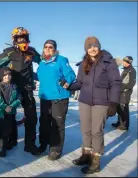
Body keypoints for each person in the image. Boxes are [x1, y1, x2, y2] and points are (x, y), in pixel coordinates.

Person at [0, 27, 41, 155]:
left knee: (31, 117)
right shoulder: (9, 52)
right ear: (14, 40)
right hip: (13, 88)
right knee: (10, 114)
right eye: (19, 38)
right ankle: (10, 140)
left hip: (28, 89)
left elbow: (42, 61)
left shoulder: (31, 52)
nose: (22, 41)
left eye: (24, 38)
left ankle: (30, 144)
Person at [68, 36, 121, 174]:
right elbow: (80, 83)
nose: (92, 48)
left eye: (95, 46)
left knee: (96, 131)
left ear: (99, 47)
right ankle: (86, 155)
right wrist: (69, 86)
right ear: (86, 49)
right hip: (84, 101)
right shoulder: (84, 63)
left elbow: (116, 82)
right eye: (89, 46)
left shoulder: (108, 61)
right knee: (85, 129)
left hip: (102, 102)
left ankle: (95, 162)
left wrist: (113, 103)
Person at [37, 40, 76, 160]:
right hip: (45, 98)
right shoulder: (42, 63)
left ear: (55, 49)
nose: (48, 48)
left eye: (51, 47)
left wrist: (67, 82)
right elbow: (39, 77)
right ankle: (43, 144)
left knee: (57, 124)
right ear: (43, 49)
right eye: (46, 47)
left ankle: (55, 149)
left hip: (59, 97)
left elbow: (71, 75)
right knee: (44, 123)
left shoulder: (61, 60)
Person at [0, 67, 22, 157]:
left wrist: (12, 106)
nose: (7, 77)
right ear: (1, 76)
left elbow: (19, 98)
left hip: (10, 112)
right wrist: (5, 106)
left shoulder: (14, 87)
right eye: (5, 75)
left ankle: (2, 148)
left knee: (6, 131)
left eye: (9, 75)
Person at [112, 56, 136, 131]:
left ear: (129, 62)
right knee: (119, 108)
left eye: (125, 61)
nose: (123, 62)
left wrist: (120, 87)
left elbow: (130, 83)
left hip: (125, 93)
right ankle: (119, 122)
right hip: (121, 92)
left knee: (124, 108)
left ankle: (124, 125)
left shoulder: (131, 71)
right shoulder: (125, 70)